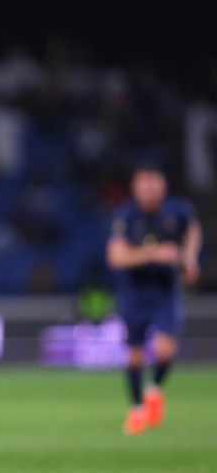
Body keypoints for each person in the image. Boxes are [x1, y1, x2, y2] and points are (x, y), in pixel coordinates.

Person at [106, 160, 202, 435]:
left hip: (165, 290)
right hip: (134, 292)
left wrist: (190, 257)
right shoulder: (126, 216)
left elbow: (192, 231)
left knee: (165, 349)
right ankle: (137, 409)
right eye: (143, 183)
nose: (149, 189)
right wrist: (153, 253)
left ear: (163, 185)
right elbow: (116, 257)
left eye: (153, 182)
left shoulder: (178, 210)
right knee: (135, 355)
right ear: (135, 187)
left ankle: (154, 389)